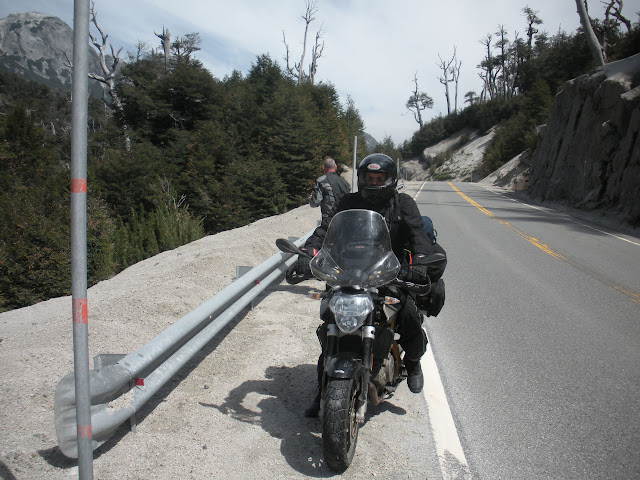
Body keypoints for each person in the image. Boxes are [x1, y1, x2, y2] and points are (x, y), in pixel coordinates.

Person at [290, 153, 447, 417]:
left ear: (389, 180)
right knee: (330, 319)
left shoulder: (403, 204)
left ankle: (412, 360)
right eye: (369, 178)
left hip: (390, 273)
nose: (373, 183)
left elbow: (419, 235)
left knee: (408, 315)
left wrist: (420, 263)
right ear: (362, 179)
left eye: (379, 178)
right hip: (349, 272)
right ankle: (323, 388)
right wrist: (309, 253)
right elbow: (326, 229)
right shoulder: (349, 202)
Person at [309, 157, 351, 222]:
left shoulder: (321, 181)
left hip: (329, 220)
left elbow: (315, 203)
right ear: (336, 167)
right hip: (344, 219)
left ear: (323, 168)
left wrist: (312, 198)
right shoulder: (345, 182)